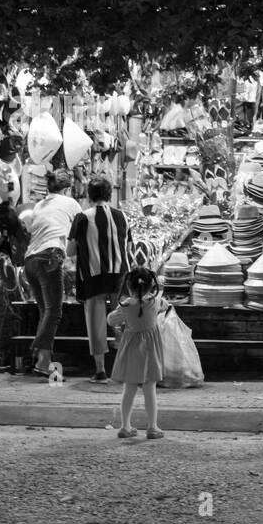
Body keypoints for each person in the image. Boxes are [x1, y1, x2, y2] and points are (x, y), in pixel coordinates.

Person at [20, 169, 81, 376]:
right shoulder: (71, 203)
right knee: (53, 311)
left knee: (44, 310)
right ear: (67, 189)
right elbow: (80, 232)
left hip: (30, 260)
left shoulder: (39, 205)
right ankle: (43, 360)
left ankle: (40, 356)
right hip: (50, 257)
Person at [70, 176, 130, 382]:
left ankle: (100, 371)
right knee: (120, 319)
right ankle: (123, 369)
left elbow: (70, 251)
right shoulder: (121, 216)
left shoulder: (82, 217)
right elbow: (127, 248)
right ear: (109, 194)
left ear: (89, 195)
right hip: (119, 274)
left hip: (93, 276)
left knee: (96, 323)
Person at [107, 267, 166, 439]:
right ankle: (152, 427)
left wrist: (125, 305)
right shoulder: (155, 302)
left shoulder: (125, 306)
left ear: (128, 285)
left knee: (129, 389)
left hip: (131, 351)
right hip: (150, 353)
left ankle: (125, 427)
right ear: (151, 286)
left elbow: (111, 320)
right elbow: (165, 305)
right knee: (150, 390)